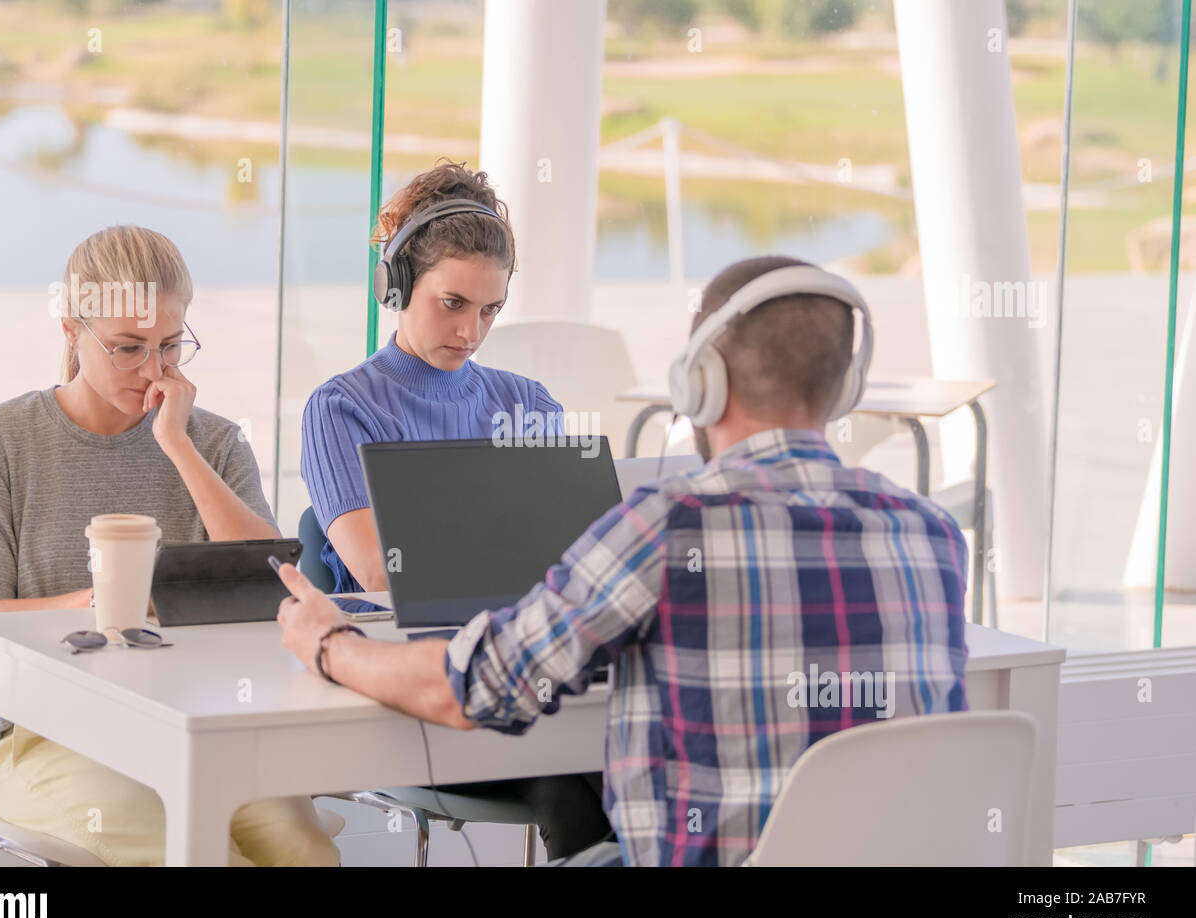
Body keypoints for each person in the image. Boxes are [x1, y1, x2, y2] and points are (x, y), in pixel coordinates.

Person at [277, 254, 970, 866]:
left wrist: (331, 644)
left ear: (700, 382)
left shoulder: (666, 527)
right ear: (843, 389)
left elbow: (471, 688)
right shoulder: (934, 537)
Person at [0, 225, 343, 867]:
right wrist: (98, 605)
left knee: (305, 851)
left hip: (189, 717)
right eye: (128, 348)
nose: (153, 370)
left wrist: (175, 444)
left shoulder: (212, 441)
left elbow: (272, 576)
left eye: (170, 346)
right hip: (37, 733)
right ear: (72, 330)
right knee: (205, 858)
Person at [299, 159, 613, 860]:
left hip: (522, 666)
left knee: (630, 744)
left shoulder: (526, 404)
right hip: (407, 680)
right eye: (453, 303)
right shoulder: (342, 408)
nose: (472, 331)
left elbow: (584, 556)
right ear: (398, 286)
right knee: (568, 766)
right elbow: (380, 570)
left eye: (490, 309)